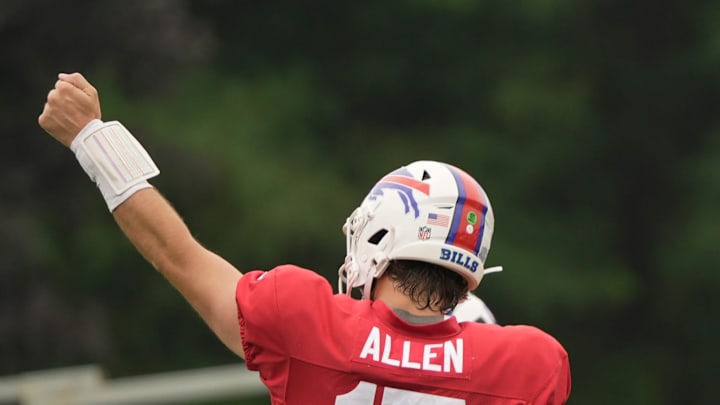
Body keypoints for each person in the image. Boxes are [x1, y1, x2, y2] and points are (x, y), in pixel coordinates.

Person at [38, 72, 571, 404]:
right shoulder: (529, 365)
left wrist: (91, 138)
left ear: (380, 235)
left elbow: (178, 256)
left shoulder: (306, 321)